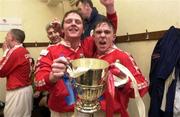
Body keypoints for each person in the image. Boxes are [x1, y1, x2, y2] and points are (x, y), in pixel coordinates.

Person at [34, 10, 91, 117]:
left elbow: (107, 32)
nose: (73, 23)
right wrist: (52, 77)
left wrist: (110, 8)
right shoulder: (50, 51)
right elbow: (37, 81)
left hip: (85, 109)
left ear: (83, 30)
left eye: (77, 22)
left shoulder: (88, 46)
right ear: (62, 29)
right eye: (69, 21)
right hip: (60, 111)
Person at [90, 17, 149, 117]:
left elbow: (143, 85)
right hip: (94, 111)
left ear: (113, 37)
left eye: (107, 32)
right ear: (93, 36)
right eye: (99, 32)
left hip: (115, 113)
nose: (103, 35)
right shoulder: (93, 57)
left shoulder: (123, 56)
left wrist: (124, 83)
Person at [0, 29, 33, 117]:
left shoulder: (14, 51)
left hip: (17, 92)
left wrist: (5, 53)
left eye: (7, 36)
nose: (5, 38)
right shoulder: (25, 51)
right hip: (27, 89)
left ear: (12, 38)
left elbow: (1, 71)